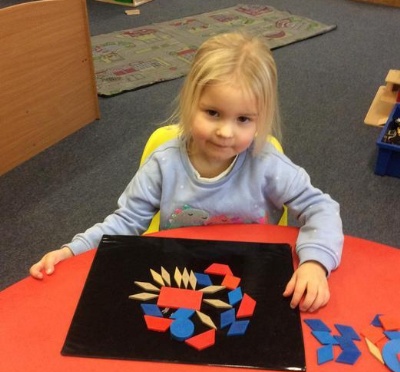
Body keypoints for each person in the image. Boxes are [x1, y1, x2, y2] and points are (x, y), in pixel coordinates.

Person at [30, 31, 343, 313]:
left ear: (261, 119)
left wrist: (315, 263)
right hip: (179, 280)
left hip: (251, 280)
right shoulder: (164, 164)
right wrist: (73, 250)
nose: (225, 132)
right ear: (190, 102)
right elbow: (125, 222)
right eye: (213, 113)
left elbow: (321, 208)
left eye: (243, 119)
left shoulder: (267, 164)